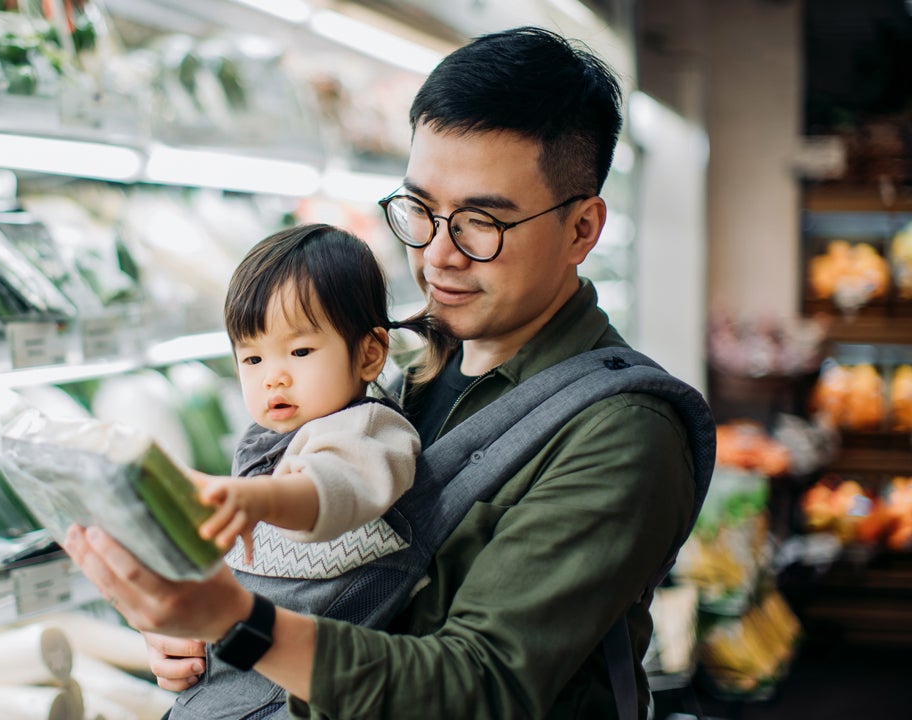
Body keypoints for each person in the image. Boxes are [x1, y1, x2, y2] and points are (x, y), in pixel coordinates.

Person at [64, 26, 710, 719]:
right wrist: (194, 629)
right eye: (421, 210)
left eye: (480, 224)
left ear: (582, 229)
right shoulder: (394, 361)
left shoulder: (623, 432)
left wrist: (243, 626)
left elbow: (481, 686)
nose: (438, 255)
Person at [176, 222, 447, 719]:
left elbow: (330, 487)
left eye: (300, 351)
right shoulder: (263, 442)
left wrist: (256, 501)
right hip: (234, 679)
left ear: (369, 353)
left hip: (301, 696)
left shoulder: (369, 431)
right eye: (252, 358)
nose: (273, 375)